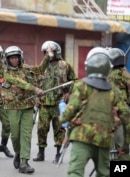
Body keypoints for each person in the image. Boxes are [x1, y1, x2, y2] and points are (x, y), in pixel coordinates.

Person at [60, 47, 130, 177]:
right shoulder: (113, 83)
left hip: (93, 130)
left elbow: (68, 113)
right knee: (111, 163)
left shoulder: (81, 85)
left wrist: (65, 120)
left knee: (76, 171)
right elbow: (126, 115)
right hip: (108, 128)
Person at [1, 46, 49, 174]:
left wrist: (48, 56)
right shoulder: (4, 71)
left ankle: (24, 162)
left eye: (16, 57)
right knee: (15, 135)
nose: (14, 60)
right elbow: (17, 82)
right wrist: (35, 89)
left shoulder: (27, 69)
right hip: (12, 107)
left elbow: (39, 69)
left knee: (26, 135)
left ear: (20, 57)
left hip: (28, 105)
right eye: (11, 58)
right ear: (7, 59)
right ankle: (18, 152)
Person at [33, 41, 76, 163]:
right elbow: (35, 82)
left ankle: (58, 154)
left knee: (59, 129)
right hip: (44, 103)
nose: (48, 54)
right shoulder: (42, 66)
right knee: (42, 128)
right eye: (46, 52)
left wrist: (69, 93)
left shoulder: (65, 65)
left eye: (50, 52)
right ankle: (41, 153)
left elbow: (74, 80)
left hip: (59, 103)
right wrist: (36, 96)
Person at [107, 47, 130, 161]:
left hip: (111, 113)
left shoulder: (107, 74)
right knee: (121, 146)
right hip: (121, 113)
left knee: (114, 145)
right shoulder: (125, 74)